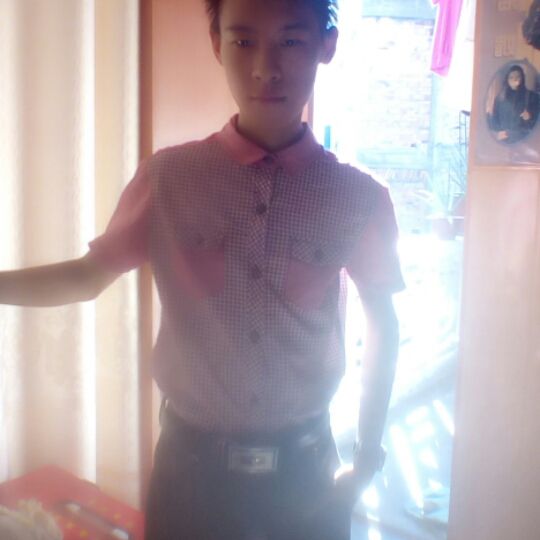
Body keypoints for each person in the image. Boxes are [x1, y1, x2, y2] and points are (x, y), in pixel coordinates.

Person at [0, 0, 405, 538]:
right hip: (190, 479)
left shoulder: (358, 198)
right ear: (217, 44)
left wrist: (368, 455)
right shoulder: (168, 179)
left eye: (290, 40)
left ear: (325, 45)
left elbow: (383, 325)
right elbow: (87, 276)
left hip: (308, 479)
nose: (265, 67)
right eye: (243, 41)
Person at [488, 64, 540, 144]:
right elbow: (495, 120)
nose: (514, 80)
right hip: (504, 142)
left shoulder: (532, 97)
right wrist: (497, 133)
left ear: (522, 78)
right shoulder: (500, 98)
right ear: (507, 79)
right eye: (511, 77)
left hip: (524, 142)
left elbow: (536, 125)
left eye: (517, 77)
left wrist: (529, 117)